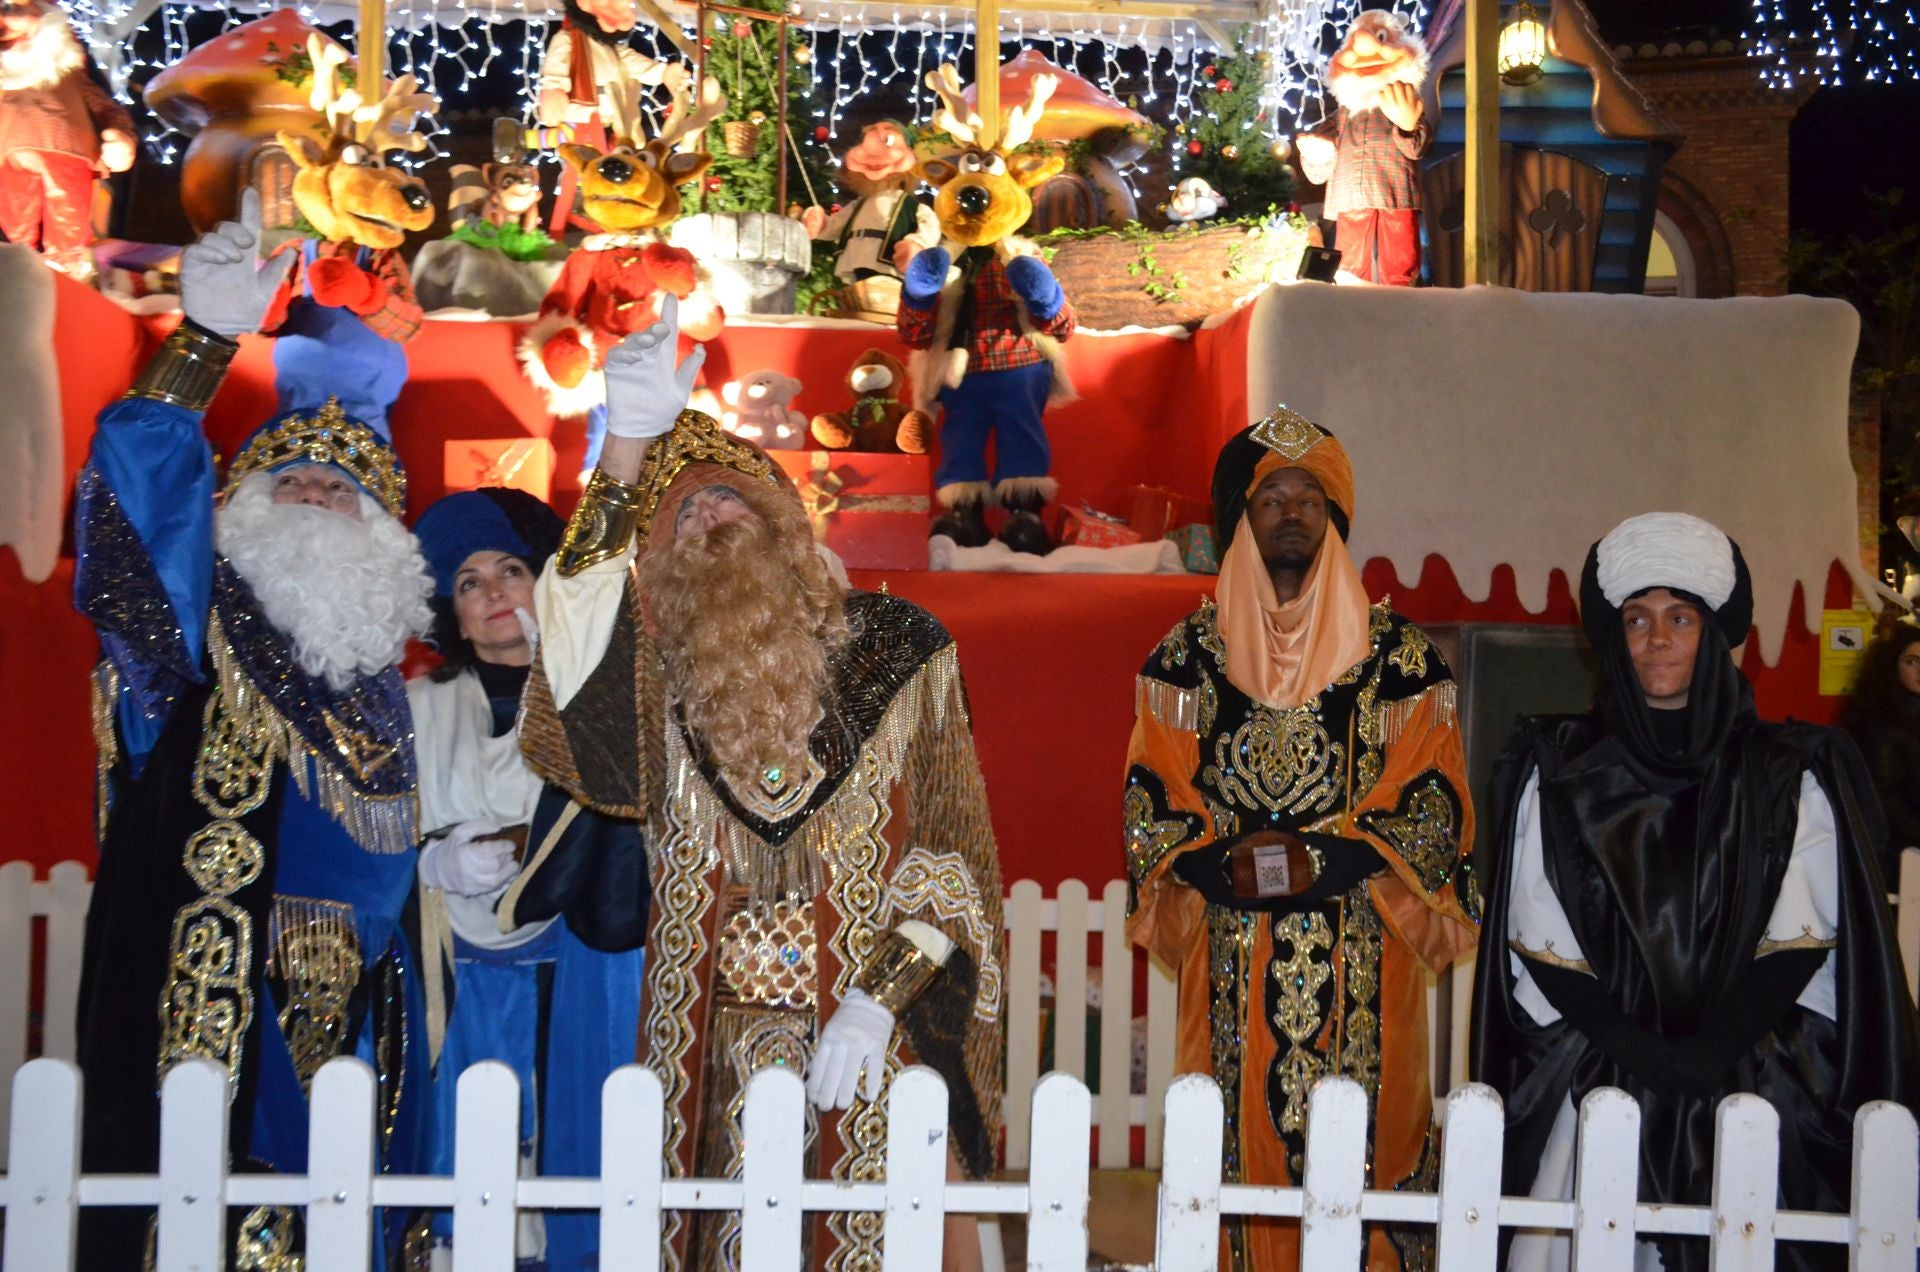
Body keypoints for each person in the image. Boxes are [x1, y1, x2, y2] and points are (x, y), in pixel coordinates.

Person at [513, 295, 1006, 1271]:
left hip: (868, 1039)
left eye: (727, 496)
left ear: (786, 518)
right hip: (700, 1047)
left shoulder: (901, 649)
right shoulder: (653, 682)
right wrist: (624, 457)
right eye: (684, 512)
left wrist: (879, 998)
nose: (706, 513)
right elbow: (570, 632)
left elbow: (950, 849)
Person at [71, 191, 437, 1267]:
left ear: (386, 547)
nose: (319, 497)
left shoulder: (383, 679)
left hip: (362, 1024)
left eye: (345, 491)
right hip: (213, 1000)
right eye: (294, 482)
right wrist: (205, 342)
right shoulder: (199, 633)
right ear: (238, 517)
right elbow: (139, 522)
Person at [1471, 512, 1920, 1272]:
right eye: (1638, 619)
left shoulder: (1785, 772)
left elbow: (1799, 938)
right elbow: (1541, 940)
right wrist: (1641, 1055)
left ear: (1712, 632)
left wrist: (1708, 1056)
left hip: (1752, 1069)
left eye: (1680, 617)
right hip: (1600, 1069)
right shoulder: (1557, 774)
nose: (1656, 639)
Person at [1125, 407, 1478, 1272]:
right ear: (1243, 517)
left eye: (1309, 497)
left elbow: (1436, 807)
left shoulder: (1401, 662)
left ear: (1337, 518)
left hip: (1367, 962)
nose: (1290, 512)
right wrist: (1217, 863)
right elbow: (1150, 801)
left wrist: (1326, 859)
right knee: (1225, 1164)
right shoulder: (1186, 660)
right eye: (1271, 495)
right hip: (1229, 965)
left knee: (1371, 1171)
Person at [407, 487, 649, 1271]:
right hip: (457, 984)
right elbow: (372, 841)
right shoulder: (413, 708)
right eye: (469, 583)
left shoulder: (600, 696)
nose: (494, 594)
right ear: (453, 610)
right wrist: (431, 862)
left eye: (510, 569)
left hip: (579, 975)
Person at [1837, 621, 1920, 874]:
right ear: (1893, 666)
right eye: (1912, 661)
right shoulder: (1885, 725)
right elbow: (1884, 801)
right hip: (1896, 857)